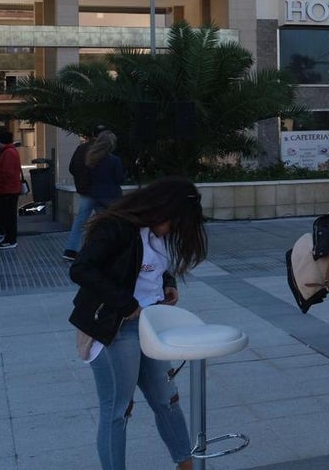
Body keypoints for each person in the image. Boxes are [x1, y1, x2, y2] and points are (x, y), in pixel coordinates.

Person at [68, 176, 209, 470]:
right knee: (118, 411)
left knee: (166, 400)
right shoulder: (116, 227)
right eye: (174, 223)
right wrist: (126, 303)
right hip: (113, 329)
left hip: (151, 327)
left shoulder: (154, 233)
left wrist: (167, 283)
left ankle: (187, 466)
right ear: (162, 210)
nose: (173, 231)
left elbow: (151, 266)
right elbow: (81, 269)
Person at [65, 126, 116, 261]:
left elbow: (72, 167)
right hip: (101, 193)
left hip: (85, 191)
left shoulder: (81, 149)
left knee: (80, 221)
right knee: (104, 222)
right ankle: (102, 250)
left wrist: (81, 182)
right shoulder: (105, 152)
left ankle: (71, 250)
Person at [0, 129, 22, 250]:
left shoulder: (8, 153)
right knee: (8, 216)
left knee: (9, 217)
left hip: (8, 191)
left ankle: (10, 240)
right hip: (8, 190)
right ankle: (9, 238)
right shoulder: (8, 152)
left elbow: (7, 173)